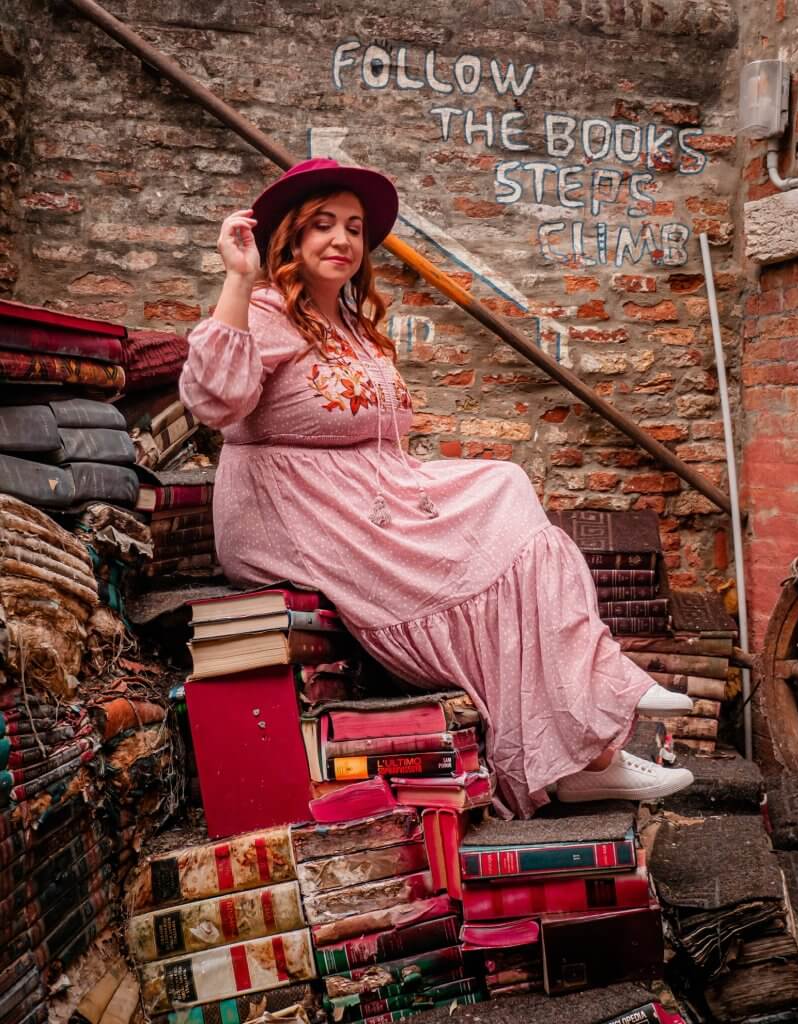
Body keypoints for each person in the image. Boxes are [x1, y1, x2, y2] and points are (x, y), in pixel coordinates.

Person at [179, 157, 695, 818]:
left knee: (505, 487)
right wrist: (238, 277)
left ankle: (589, 735)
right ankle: (595, 730)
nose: (340, 239)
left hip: (369, 495)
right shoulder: (269, 309)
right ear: (292, 239)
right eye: (322, 225)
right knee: (499, 503)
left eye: (354, 228)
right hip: (295, 511)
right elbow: (215, 401)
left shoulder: (348, 324)